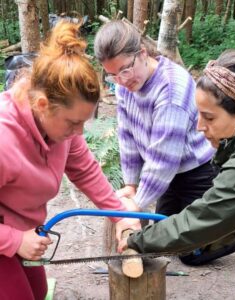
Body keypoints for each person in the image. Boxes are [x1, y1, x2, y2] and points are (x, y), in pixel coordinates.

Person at [118, 41, 235, 299]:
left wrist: (138, 240)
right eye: (198, 115)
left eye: (210, 117)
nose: (199, 126)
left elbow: (202, 219)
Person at [0, 21, 140, 300]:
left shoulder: (60, 127)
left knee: (38, 292)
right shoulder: (4, 139)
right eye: (73, 123)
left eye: (84, 123)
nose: (78, 133)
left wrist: (120, 216)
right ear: (41, 105)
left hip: (21, 231)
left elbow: (85, 170)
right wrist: (14, 240)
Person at [94, 20, 235, 266]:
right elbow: (127, 137)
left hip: (195, 172)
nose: (120, 81)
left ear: (142, 53)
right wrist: (131, 185)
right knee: (164, 236)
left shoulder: (172, 88)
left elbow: (164, 160)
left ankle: (232, 230)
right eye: (111, 75)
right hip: (170, 174)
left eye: (124, 70)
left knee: (188, 254)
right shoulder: (125, 85)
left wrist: (135, 205)